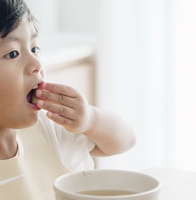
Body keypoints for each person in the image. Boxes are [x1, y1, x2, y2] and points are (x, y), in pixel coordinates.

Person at [0, 0, 136, 199]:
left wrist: (91, 120)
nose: (36, 63)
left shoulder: (49, 127)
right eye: (13, 53)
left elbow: (125, 141)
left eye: (35, 48)